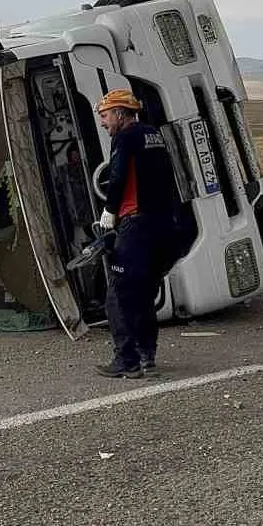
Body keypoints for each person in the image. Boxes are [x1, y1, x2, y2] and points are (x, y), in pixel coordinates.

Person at [92, 88, 188, 379]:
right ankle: (148, 354)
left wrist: (109, 211)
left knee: (118, 295)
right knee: (145, 292)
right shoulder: (154, 136)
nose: (103, 122)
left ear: (121, 114)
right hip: (164, 227)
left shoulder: (126, 137)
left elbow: (118, 174)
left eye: (106, 115)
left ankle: (127, 361)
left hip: (137, 227)